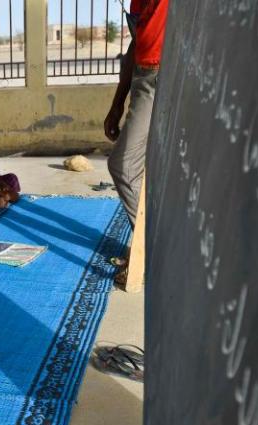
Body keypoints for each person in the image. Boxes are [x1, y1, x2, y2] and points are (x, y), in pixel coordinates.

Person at [104, 0, 169, 280]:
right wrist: (117, 104)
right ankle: (149, 245)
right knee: (135, 167)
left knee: (123, 165)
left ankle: (153, 251)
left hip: (169, 71)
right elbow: (135, 45)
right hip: (146, 77)